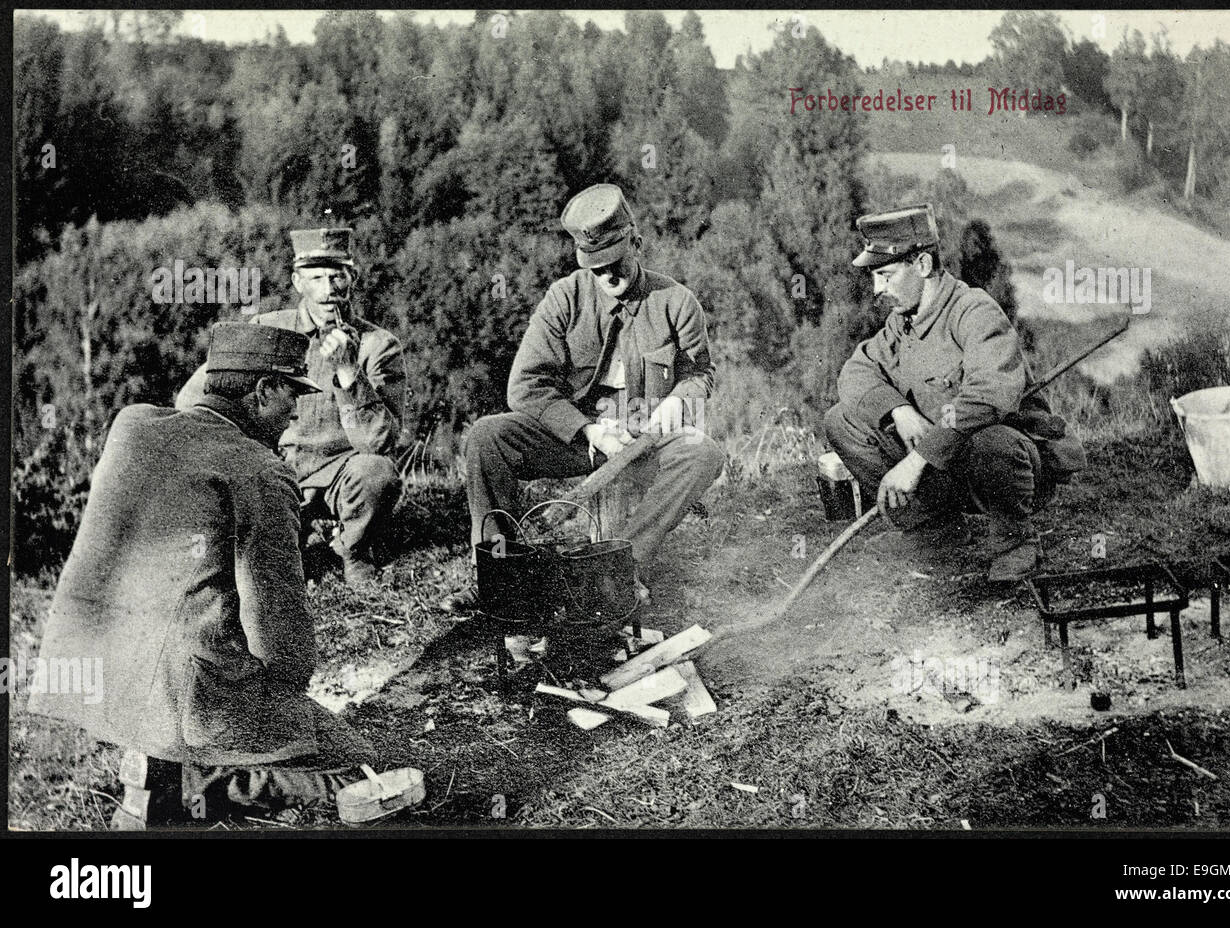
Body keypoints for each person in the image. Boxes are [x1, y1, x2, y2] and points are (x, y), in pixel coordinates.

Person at [28, 323, 377, 829]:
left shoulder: (132, 423)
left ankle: (157, 764)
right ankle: (200, 782)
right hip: (183, 702)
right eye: (291, 395)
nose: (296, 413)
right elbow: (284, 653)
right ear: (261, 392)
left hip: (92, 681)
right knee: (352, 760)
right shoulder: (259, 469)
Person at [453, 183, 725, 608]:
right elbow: (524, 386)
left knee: (703, 452)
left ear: (636, 242)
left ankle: (620, 564)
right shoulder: (565, 299)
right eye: (596, 269)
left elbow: (701, 374)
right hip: (577, 440)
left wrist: (680, 400)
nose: (608, 277)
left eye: (616, 263)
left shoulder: (676, 302)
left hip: (643, 441)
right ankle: (502, 579)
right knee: (487, 437)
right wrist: (589, 431)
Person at [824, 203, 1085, 583]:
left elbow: (987, 398)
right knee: (841, 420)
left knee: (991, 440)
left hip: (1006, 467)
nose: (877, 289)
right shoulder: (903, 323)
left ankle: (1015, 541)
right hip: (946, 466)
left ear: (924, 266)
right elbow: (855, 372)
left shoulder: (973, 311)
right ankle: (933, 529)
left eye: (885, 275)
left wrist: (915, 462)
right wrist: (897, 409)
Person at [177, 228, 407, 585]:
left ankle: (353, 549)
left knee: (376, 474)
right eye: (316, 278)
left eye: (337, 276)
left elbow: (379, 445)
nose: (329, 289)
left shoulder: (379, 346)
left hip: (341, 475)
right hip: (276, 470)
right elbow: (196, 395)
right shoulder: (268, 328)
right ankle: (284, 544)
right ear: (298, 282)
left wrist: (349, 370)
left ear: (353, 279)